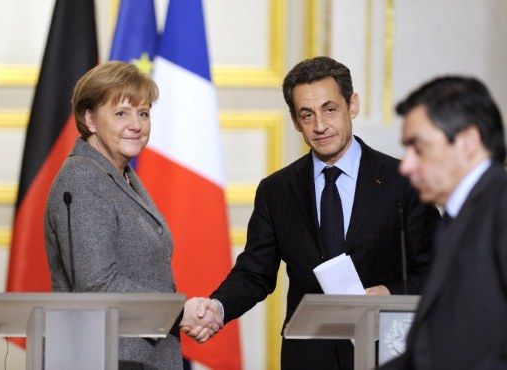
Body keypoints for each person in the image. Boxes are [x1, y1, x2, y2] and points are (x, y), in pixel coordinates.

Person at [181, 56, 440, 369]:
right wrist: (218, 308)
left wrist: (388, 293)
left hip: (386, 353)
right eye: (307, 115)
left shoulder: (404, 182)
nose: (320, 126)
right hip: (308, 356)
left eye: (330, 109)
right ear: (295, 121)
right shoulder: (276, 190)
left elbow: (437, 269)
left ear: (352, 105)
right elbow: (254, 273)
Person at [44, 61, 219, 369]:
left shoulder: (121, 175)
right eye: (121, 113)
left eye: (144, 113)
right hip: (109, 358)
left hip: (141, 357)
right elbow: (97, 286)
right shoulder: (83, 179)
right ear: (90, 119)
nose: (136, 125)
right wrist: (179, 312)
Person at [380, 76, 507, 369]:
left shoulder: (500, 207)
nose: (405, 165)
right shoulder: (458, 219)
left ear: (467, 142)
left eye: (418, 147)